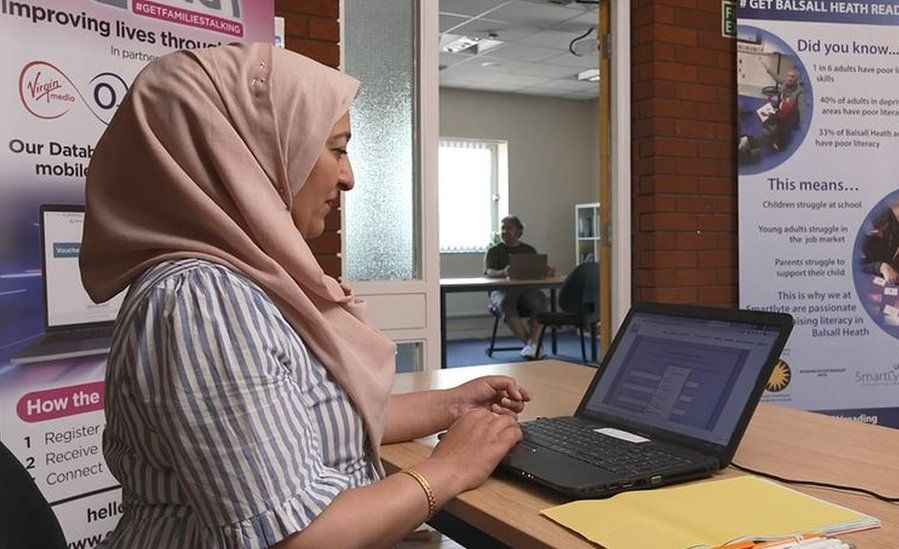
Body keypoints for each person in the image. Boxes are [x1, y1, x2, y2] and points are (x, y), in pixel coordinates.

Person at [79, 43, 529, 548]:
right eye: (337, 148)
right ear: (248, 152)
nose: (349, 177)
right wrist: (450, 469)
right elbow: (299, 539)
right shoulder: (205, 299)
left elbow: (316, 421)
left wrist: (453, 406)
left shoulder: (247, 280)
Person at [484, 215, 551, 359]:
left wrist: (546, 271)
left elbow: (536, 271)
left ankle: (531, 345)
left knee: (540, 300)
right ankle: (532, 346)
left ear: (518, 231)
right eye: (502, 228)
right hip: (501, 291)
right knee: (506, 302)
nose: (504, 231)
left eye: (508, 228)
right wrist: (503, 272)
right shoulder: (494, 251)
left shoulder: (529, 250)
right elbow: (489, 272)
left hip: (526, 290)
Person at [761, 58, 807, 151]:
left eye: (792, 77)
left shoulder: (800, 92)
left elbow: (802, 109)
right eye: (788, 76)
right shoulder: (785, 83)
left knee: (782, 124)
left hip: (792, 114)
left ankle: (779, 142)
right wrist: (767, 68)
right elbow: (776, 77)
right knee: (763, 114)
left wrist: (804, 125)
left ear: (796, 79)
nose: (789, 78)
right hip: (781, 108)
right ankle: (771, 132)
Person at [860, 206, 899, 285]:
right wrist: (879, 266)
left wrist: (888, 261)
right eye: (873, 233)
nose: (881, 235)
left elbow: (897, 236)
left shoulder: (891, 222)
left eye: (883, 228)